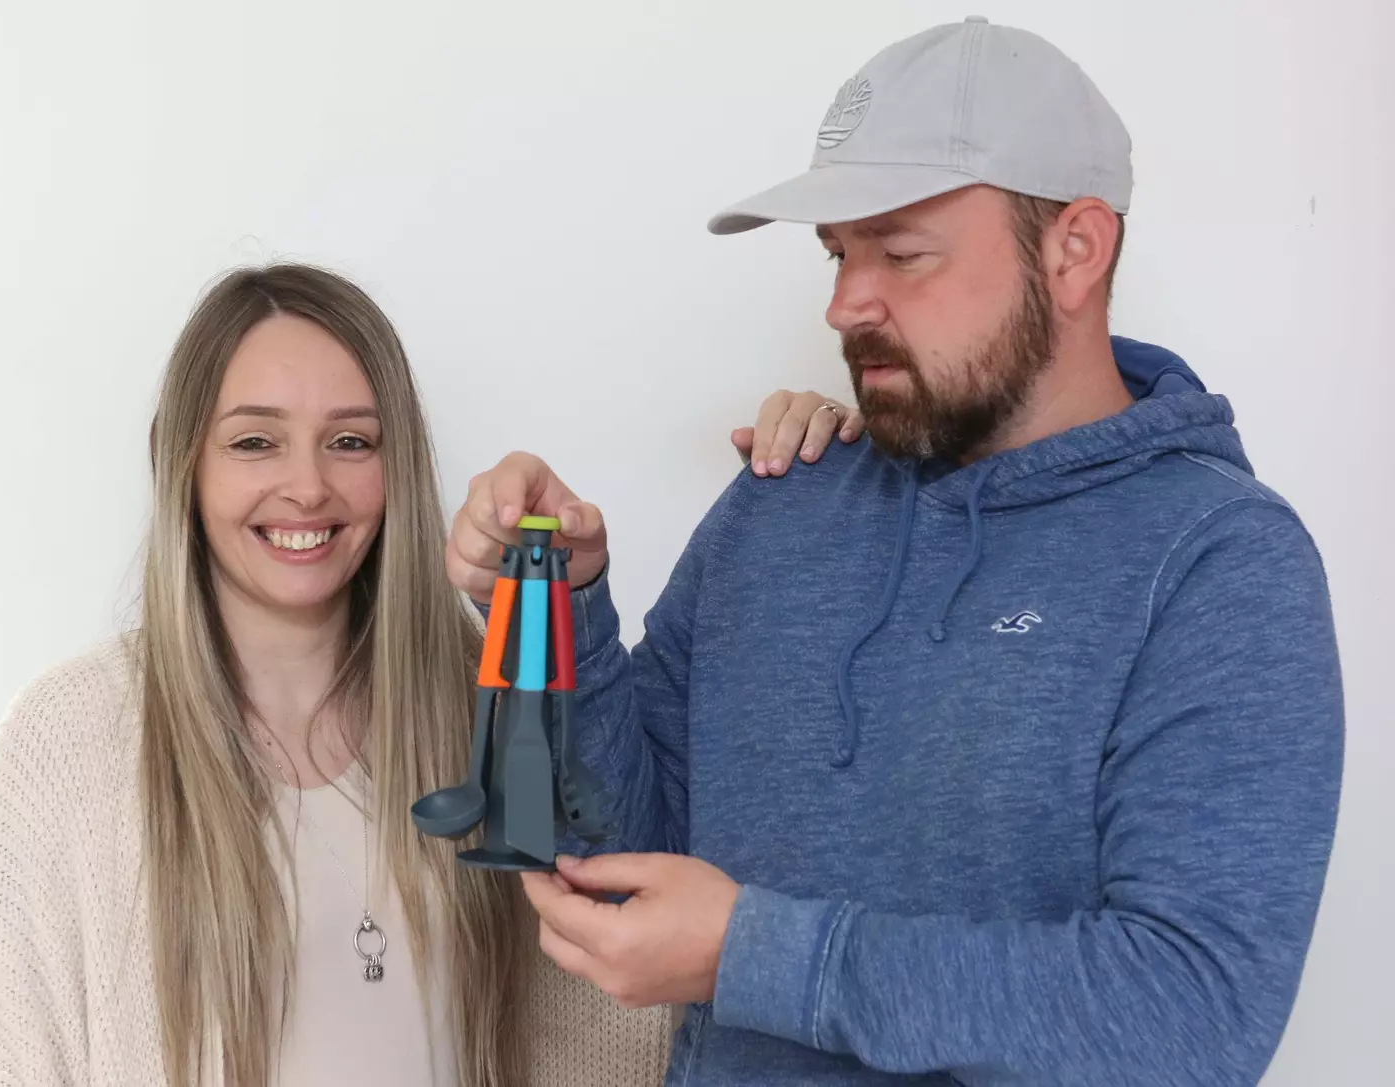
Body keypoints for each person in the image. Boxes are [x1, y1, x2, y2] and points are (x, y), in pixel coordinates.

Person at [446, 17, 1345, 1087]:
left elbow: (1193, 1017)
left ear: (1075, 248)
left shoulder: (1219, 564)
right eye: (837, 253)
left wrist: (756, 954)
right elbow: (624, 849)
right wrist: (567, 605)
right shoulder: (781, 505)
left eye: (902, 252)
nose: (843, 304)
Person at [0, 262, 845, 1086]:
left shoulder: (490, 704)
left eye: (349, 440)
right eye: (256, 442)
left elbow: (647, 923)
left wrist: (829, 465)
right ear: (175, 459)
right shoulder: (69, 739)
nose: (307, 488)